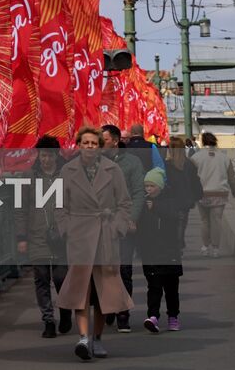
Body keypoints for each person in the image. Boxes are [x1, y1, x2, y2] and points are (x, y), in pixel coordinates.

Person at [56, 125, 134, 361]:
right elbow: (59, 204)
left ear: (100, 147)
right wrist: (66, 229)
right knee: (81, 288)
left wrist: (117, 227)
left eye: (93, 143)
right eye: (85, 143)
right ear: (78, 145)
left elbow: (125, 203)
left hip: (105, 235)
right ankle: (82, 338)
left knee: (103, 293)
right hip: (79, 237)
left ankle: (97, 338)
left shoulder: (114, 170)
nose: (89, 147)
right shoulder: (67, 171)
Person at [16, 135, 72, 338]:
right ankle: (48, 320)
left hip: (62, 236)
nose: (45, 159)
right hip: (37, 236)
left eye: (49, 155)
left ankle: (65, 311)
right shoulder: (29, 177)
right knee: (41, 279)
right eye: (42, 155)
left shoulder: (66, 175)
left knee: (61, 278)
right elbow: (21, 208)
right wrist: (21, 237)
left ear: (56, 155)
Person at [101, 124, 146, 332]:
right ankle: (108, 307)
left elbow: (138, 192)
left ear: (116, 141)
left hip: (124, 225)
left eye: (105, 140)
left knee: (124, 270)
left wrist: (132, 218)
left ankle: (123, 313)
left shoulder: (132, 163)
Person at [137, 168, 184, 332]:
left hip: (169, 253)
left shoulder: (169, 200)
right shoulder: (143, 202)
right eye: (146, 186)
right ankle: (153, 317)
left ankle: (173, 317)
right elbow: (140, 226)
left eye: (152, 186)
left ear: (160, 186)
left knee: (171, 288)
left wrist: (155, 207)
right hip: (151, 253)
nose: (148, 189)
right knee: (154, 286)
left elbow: (173, 216)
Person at [190, 132, 235, 257]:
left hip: (202, 193)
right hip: (219, 193)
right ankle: (216, 249)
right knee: (217, 221)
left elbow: (191, 176)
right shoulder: (224, 158)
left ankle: (205, 247)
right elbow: (231, 177)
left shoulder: (196, 157)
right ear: (215, 141)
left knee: (204, 221)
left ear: (203, 142)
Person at [162, 137, 203, 250]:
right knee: (181, 223)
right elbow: (195, 181)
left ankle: (174, 245)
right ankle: (179, 244)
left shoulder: (166, 165)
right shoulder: (189, 164)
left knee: (170, 225)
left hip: (170, 199)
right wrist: (197, 196)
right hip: (185, 200)